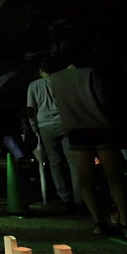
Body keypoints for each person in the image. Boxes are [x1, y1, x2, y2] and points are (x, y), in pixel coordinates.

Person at [49, 48, 127, 235]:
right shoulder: (90, 73)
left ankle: (98, 222)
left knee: (85, 179)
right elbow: (103, 99)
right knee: (115, 177)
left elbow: (58, 103)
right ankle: (124, 220)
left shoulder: (55, 79)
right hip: (100, 127)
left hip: (75, 130)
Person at [26, 58, 80, 212]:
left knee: (54, 163)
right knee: (73, 162)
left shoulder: (34, 85)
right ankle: (79, 197)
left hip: (45, 125)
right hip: (65, 122)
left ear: (41, 70)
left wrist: (34, 127)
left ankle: (64, 196)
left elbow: (30, 110)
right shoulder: (61, 82)